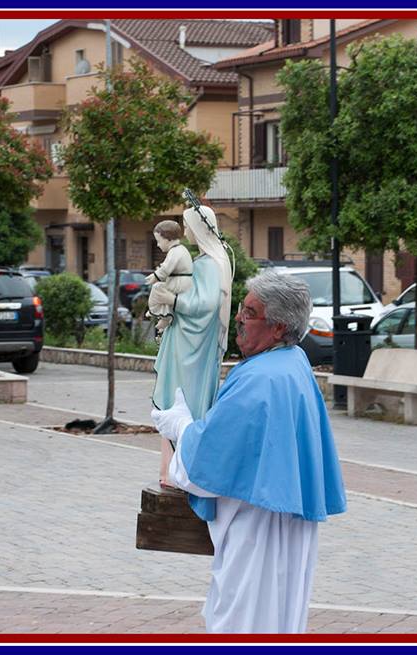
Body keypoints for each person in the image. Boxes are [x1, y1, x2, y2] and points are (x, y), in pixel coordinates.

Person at [151, 271, 347, 633]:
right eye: (242, 308)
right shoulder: (292, 362)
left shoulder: (261, 380)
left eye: (250, 312)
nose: (239, 317)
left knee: (243, 623)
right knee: (280, 620)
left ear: (277, 327)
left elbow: (209, 462)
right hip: (283, 519)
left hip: (256, 527)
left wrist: (179, 426)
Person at [151, 204, 233, 489]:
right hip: (188, 344)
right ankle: (171, 471)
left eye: (187, 225)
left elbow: (206, 305)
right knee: (178, 404)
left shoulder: (210, 264)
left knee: (183, 404)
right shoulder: (207, 261)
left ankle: (179, 470)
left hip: (192, 351)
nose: (185, 231)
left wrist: (172, 301)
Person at [145, 220, 193, 335]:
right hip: (180, 281)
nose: (157, 244)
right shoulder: (179, 250)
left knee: (157, 288)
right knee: (161, 291)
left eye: (158, 241)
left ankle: (160, 315)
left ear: (167, 239)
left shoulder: (175, 252)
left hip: (180, 283)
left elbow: (167, 268)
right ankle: (163, 316)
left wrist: (155, 276)